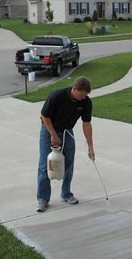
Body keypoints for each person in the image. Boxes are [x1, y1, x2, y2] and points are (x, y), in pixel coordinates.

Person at [37, 76, 95, 212]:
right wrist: (52, 134)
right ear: (74, 89)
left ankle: (66, 193)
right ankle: (43, 198)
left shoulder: (86, 102)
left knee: (69, 163)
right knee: (45, 165)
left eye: (85, 96)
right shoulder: (57, 96)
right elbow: (45, 116)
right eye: (81, 95)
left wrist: (90, 146)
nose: (83, 98)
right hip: (48, 129)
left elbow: (86, 124)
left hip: (67, 131)